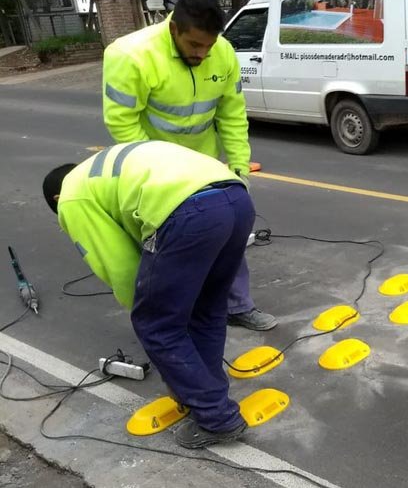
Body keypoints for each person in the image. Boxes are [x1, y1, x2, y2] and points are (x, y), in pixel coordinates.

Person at [42, 141, 253, 449]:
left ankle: (217, 418)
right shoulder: (102, 170)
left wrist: (148, 312)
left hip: (189, 211)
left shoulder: (72, 197)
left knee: (157, 325)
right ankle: (204, 392)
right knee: (206, 309)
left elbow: (121, 265)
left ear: (57, 199)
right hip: (236, 198)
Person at [102, 0, 277, 331]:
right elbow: (122, 123)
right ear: (174, 29)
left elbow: (231, 114)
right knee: (168, 247)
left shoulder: (222, 53)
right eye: (195, 45)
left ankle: (237, 306)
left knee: (229, 232)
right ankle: (176, 318)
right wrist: (161, 172)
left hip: (205, 166)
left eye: (209, 46)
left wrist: (239, 169)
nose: (203, 53)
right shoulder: (130, 55)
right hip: (155, 172)